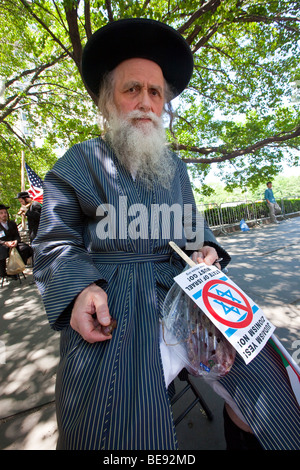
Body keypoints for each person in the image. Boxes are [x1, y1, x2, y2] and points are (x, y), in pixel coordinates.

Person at [33, 19, 300, 451]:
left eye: (155, 93)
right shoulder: (78, 162)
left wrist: (207, 250)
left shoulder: (174, 167)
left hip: (188, 293)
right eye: (131, 89)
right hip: (114, 304)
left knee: (269, 386)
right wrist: (80, 288)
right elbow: (55, 240)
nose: (145, 102)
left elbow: (196, 228)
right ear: (107, 102)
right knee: (105, 425)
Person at [0, 204, 33, 278]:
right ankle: (4, 273)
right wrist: (5, 243)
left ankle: (18, 268)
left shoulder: (12, 223)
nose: (4, 215)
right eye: (1, 213)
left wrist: (15, 241)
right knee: (1, 252)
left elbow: (17, 235)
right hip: (3, 245)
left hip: (14, 243)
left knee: (25, 248)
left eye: (5, 213)